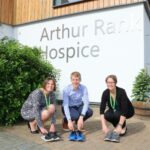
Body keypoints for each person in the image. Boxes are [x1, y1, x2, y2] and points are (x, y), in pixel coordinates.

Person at [21, 77, 60, 141]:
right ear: (45, 84)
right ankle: (32, 123)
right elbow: (36, 110)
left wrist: (53, 125)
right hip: (28, 111)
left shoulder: (52, 94)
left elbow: (54, 110)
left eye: (52, 84)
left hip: (40, 109)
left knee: (52, 107)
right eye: (48, 83)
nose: (50, 85)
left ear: (54, 85)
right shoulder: (37, 93)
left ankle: (38, 124)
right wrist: (41, 127)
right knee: (46, 113)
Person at [100, 75, 134, 143]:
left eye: (112, 82)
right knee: (107, 115)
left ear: (115, 83)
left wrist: (120, 125)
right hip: (115, 110)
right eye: (108, 82)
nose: (110, 84)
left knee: (117, 115)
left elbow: (124, 110)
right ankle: (116, 129)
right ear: (106, 83)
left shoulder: (121, 91)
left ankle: (122, 127)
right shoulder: (105, 93)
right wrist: (104, 126)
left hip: (127, 110)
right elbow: (101, 110)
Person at [62, 71, 93, 141]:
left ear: (80, 80)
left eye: (77, 79)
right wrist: (69, 121)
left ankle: (78, 122)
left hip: (79, 105)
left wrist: (81, 117)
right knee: (75, 116)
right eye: (73, 79)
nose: (75, 82)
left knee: (89, 112)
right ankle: (65, 120)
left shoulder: (84, 88)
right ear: (71, 80)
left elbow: (86, 103)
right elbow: (65, 105)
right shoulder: (66, 89)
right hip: (69, 106)